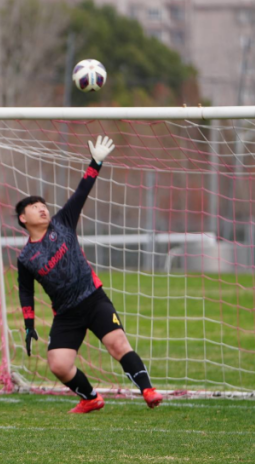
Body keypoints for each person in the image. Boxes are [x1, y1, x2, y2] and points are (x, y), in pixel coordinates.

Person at [15, 135, 162, 413]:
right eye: (34, 207)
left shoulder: (63, 222)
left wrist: (96, 162)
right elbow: (26, 291)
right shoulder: (25, 258)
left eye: (43, 205)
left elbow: (82, 192)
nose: (42, 208)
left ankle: (148, 390)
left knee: (118, 344)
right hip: (66, 314)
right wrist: (29, 323)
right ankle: (91, 398)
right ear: (23, 218)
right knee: (58, 364)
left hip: (93, 299)